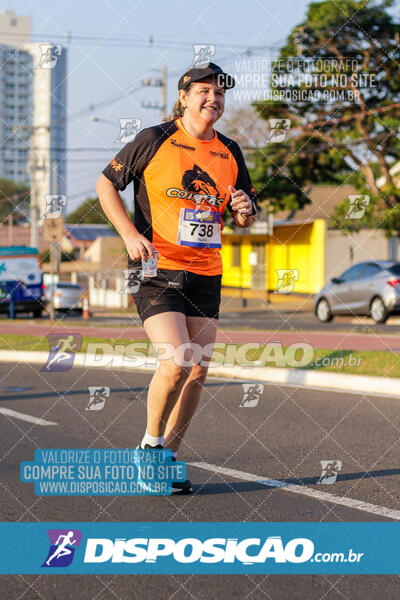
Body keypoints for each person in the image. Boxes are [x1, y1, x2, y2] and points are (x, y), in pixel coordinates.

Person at [96, 62, 258, 494]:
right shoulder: (155, 139)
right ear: (184, 96)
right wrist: (129, 234)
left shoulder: (230, 151)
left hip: (206, 273)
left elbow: (243, 216)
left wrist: (243, 210)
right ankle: (149, 447)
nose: (213, 98)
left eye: (220, 93)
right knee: (176, 360)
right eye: (204, 91)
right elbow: (105, 184)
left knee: (198, 371)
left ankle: (166, 457)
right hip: (156, 268)